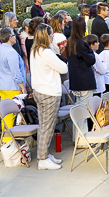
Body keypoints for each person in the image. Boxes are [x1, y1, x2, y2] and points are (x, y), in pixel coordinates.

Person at [30, 24, 68, 170]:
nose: (53, 36)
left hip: (40, 90)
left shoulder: (35, 50)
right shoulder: (46, 52)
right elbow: (64, 68)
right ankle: (43, 159)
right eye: (51, 34)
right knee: (48, 126)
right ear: (46, 35)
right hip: (49, 92)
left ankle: (43, 154)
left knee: (43, 126)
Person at [66, 17, 96, 145]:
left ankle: (77, 137)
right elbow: (91, 60)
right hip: (84, 80)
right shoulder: (81, 43)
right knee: (83, 110)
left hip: (76, 80)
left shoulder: (70, 41)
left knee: (79, 108)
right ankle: (82, 140)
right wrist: (91, 51)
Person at [0, 27, 27, 100]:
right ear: (10, 38)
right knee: (13, 110)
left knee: (5, 110)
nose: (15, 37)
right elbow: (15, 72)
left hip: (1, 85)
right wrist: (23, 87)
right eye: (13, 35)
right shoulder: (11, 52)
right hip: (12, 87)